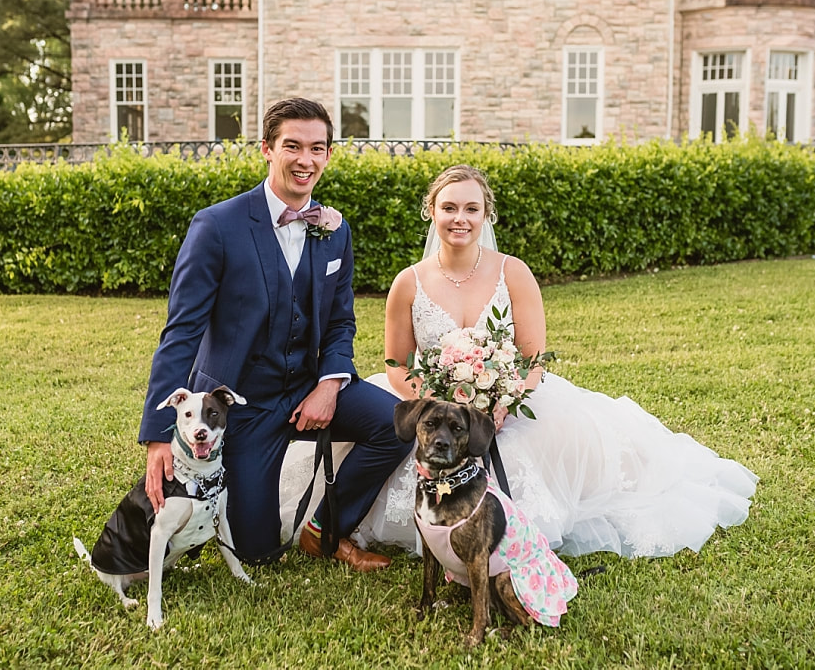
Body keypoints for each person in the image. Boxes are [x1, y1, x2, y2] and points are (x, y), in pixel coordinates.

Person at [284, 164, 759, 558]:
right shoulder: (408, 281)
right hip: (429, 399)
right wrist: (427, 403)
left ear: (486, 213)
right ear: (432, 212)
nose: (459, 218)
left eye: (471, 208)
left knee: (549, 442)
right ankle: (333, 528)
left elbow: (534, 357)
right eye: (448, 207)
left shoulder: (514, 272)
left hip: (506, 395)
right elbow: (395, 362)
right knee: (396, 437)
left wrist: (505, 400)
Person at [139, 97, 412, 571]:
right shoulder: (217, 226)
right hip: (241, 403)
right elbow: (181, 332)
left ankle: (325, 527)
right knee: (256, 550)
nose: (305, 160)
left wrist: (329, 385)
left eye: (318, 148)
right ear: (267, 148)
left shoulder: (335, 230)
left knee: (397, 425)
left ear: (328, 155)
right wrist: (159, 436)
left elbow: (340, 322)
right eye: (293, 146)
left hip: (308, 385)